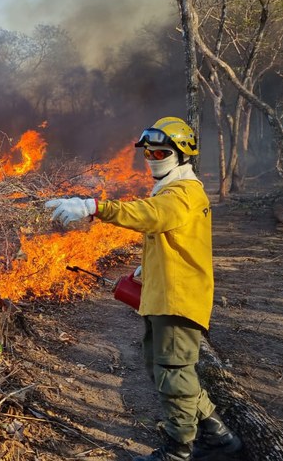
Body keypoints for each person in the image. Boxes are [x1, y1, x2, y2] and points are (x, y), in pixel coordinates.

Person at [45, 117, 242, 461]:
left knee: (173, 372)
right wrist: (147, 268)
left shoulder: (183, 193)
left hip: (177, 300)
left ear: (183, 155)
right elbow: (176, 240)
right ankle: (217, 434)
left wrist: (94, 207)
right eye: (149, 153)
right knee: (163, 368)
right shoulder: (173, 190)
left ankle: (178, 451)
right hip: (164, 294)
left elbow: (152, 216)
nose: (152, 159)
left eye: (161, 152)